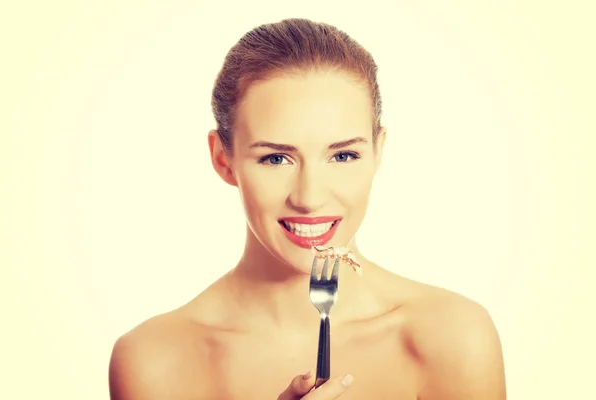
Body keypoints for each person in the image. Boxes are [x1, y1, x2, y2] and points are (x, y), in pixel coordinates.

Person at [108, 18, 506, 399]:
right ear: (222, 159)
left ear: (378, 151)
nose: (310, 197)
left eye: (344, 155)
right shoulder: (154, 360)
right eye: (276, 159)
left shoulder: (454, 337)